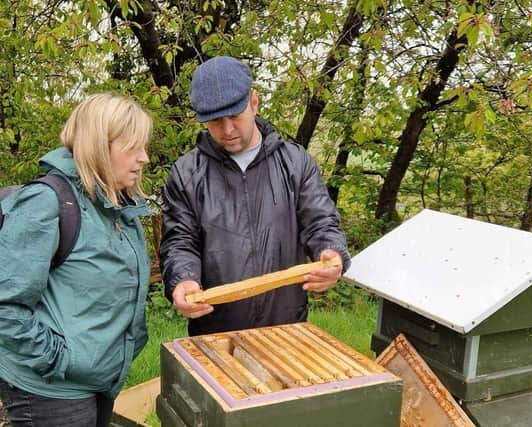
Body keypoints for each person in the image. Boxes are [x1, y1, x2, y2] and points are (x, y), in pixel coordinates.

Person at [160, 56, 351, 336]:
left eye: (235, 117)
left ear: (254, 101)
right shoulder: (186, 173)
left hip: (287, 328)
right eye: (215, 122)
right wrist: (182, 280)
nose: (227, 131)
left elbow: (321, 223)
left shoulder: (296, 163)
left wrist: (332, 254)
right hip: (215, 332)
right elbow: (179, 241)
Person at [0, 93, 153, 427]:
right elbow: (6, 306)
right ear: (99, 145)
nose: (143, 158)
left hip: (97, 381)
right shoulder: (46, 203)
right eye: (133, 147)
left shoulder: (117, 208)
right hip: (51, 393)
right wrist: (59, 361)